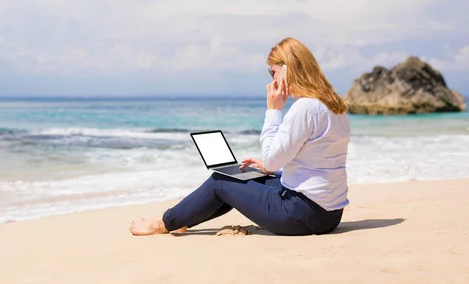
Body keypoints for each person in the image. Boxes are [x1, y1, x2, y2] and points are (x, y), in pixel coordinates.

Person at [129, 37, 350, 236]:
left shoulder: (305, 108)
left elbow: (272, 157)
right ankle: (182, 219)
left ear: (288, 68)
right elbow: (317, 163)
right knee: (243, 175)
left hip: (302, 215)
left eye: (273, 72)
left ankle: (163, 224)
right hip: (329, 214)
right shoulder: (333, 105)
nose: (271, 80)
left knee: (220, 181)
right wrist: (268, 169)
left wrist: (273, 110)